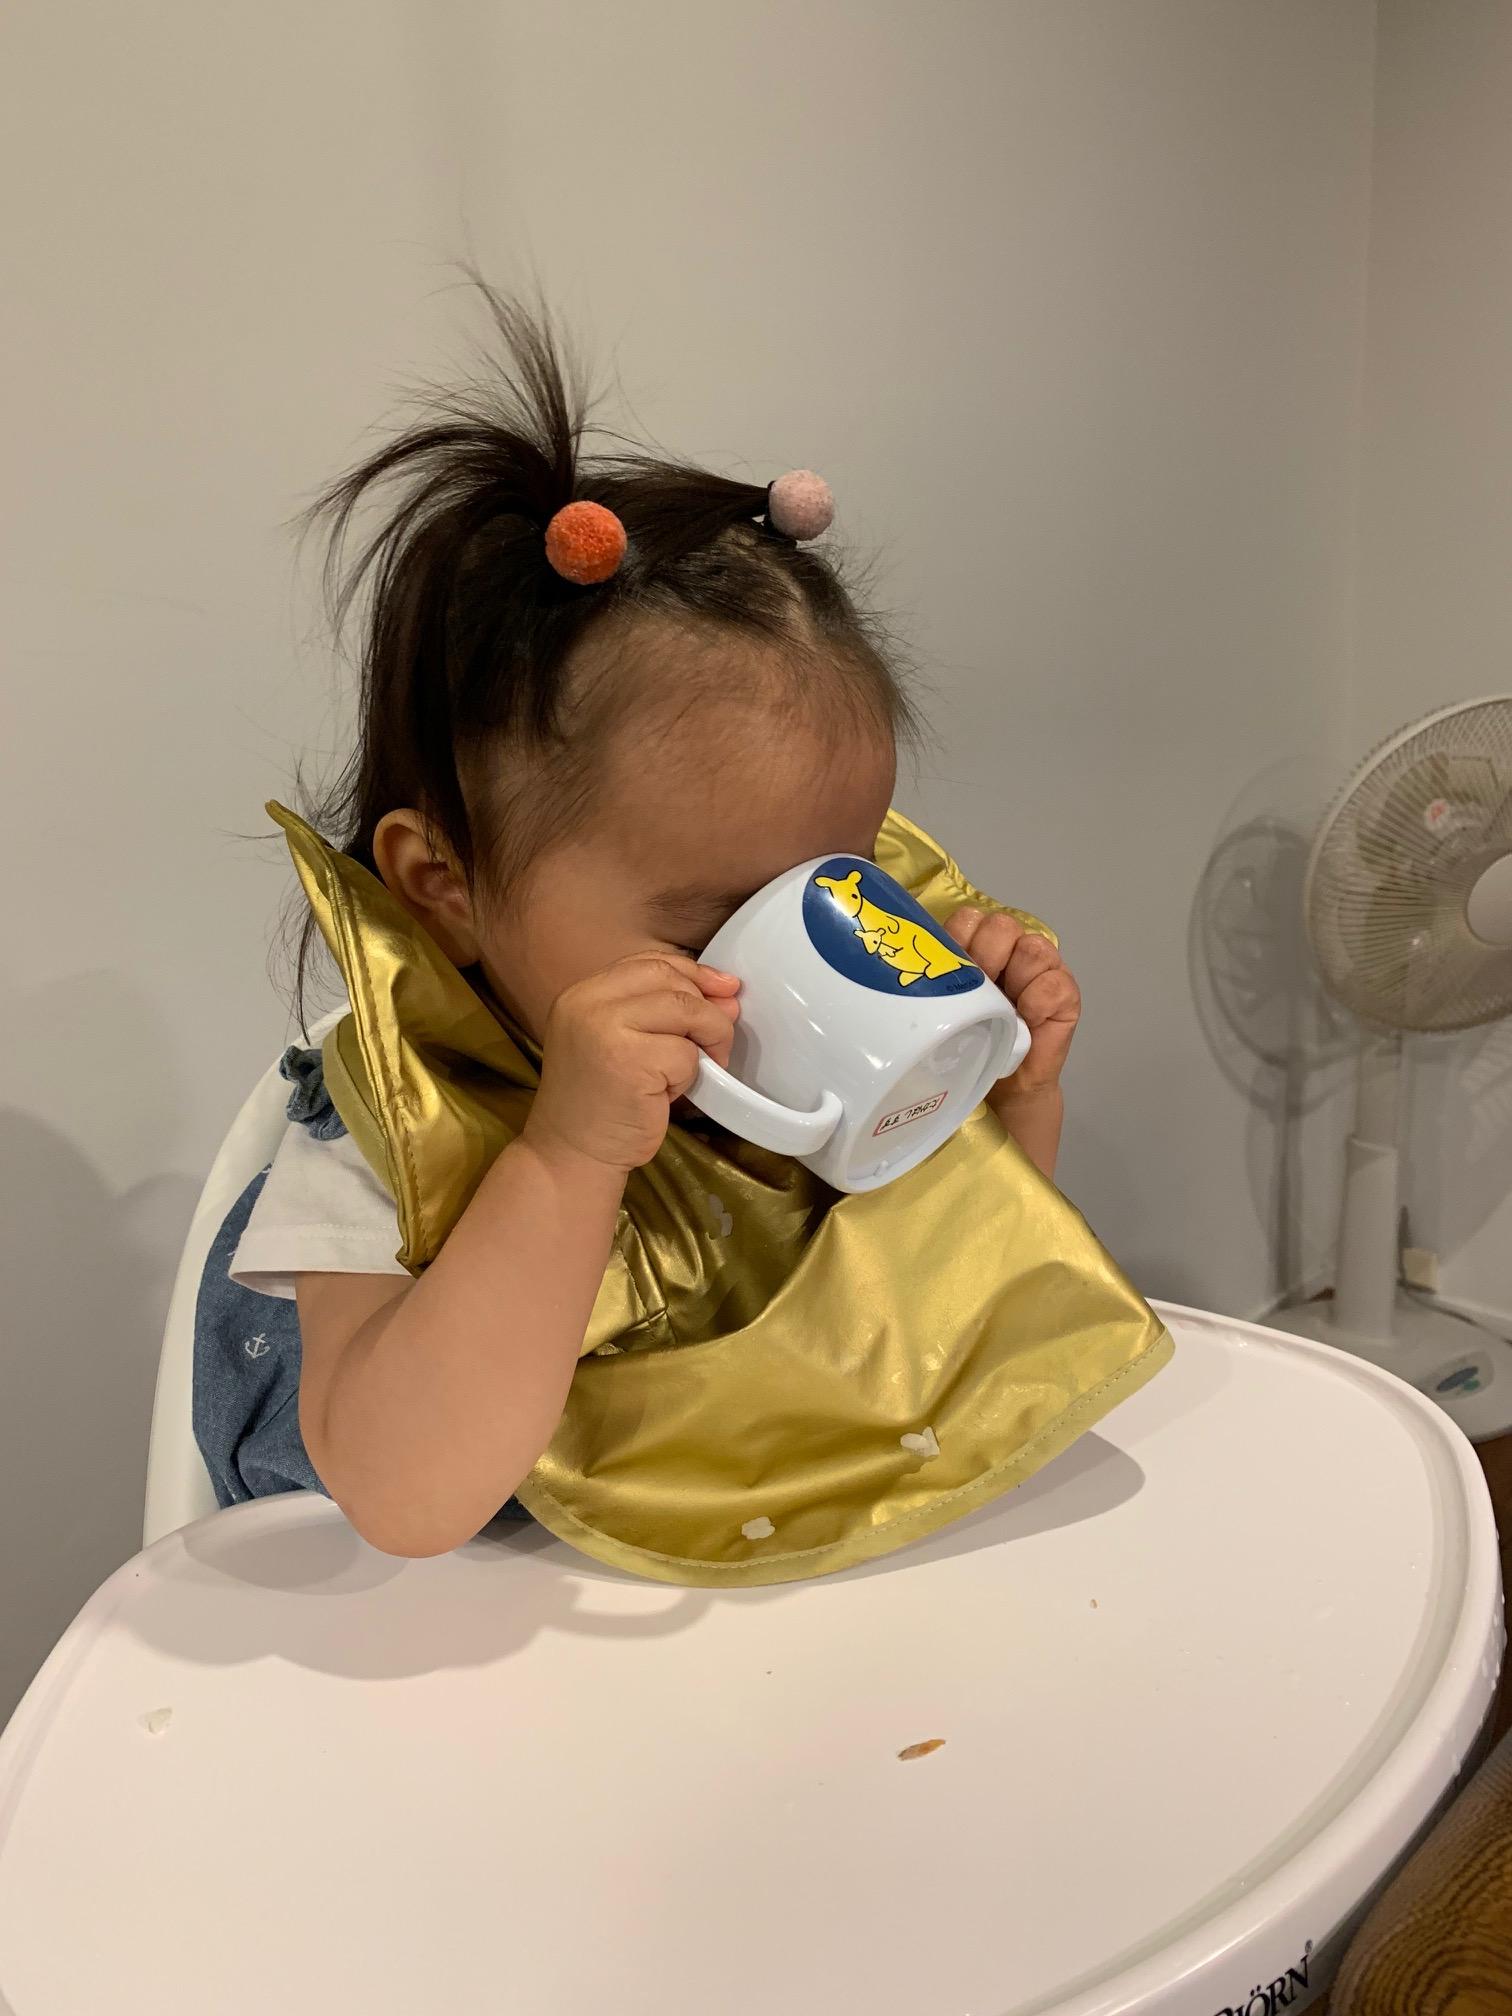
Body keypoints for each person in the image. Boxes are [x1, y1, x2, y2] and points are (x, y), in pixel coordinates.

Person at [219, 285, 1090, 1564]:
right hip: (432, 1610)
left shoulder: (776, 1067)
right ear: (444, 885)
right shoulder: (389, 1131)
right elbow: (406, 1506)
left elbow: (943, 1301)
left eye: (837, 885)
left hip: (725, 1566)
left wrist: (1002, 1097)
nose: (787, 965)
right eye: (715, 925)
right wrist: (565, 1159)